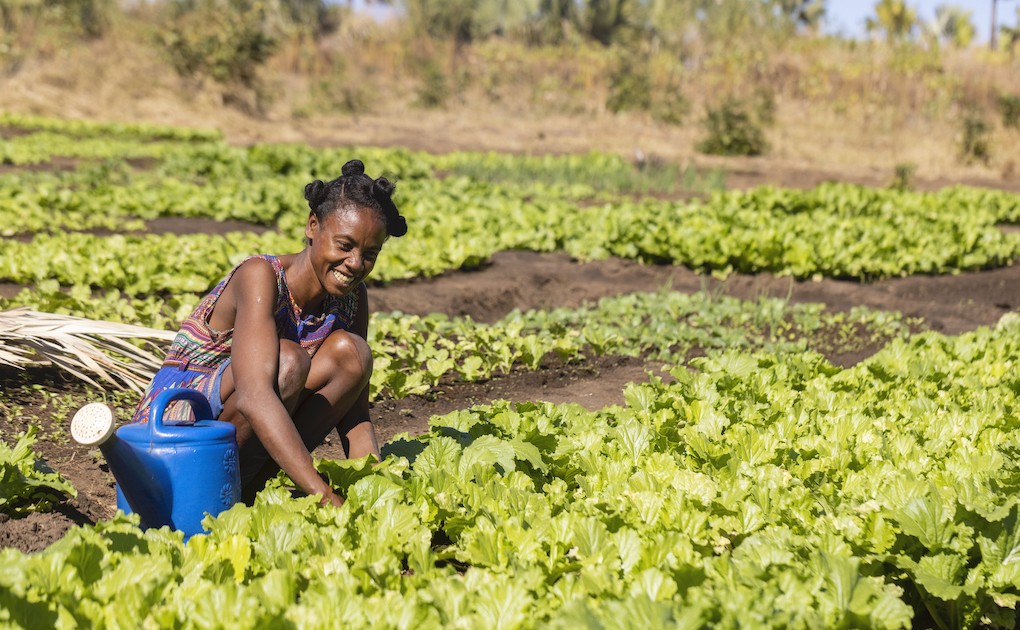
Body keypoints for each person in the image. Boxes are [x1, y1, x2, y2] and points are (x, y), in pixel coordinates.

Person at [129, 159, 407, 507]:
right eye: (344, 245)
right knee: (288, 360)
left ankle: (247, 492)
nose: (354, 263)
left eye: (369, 254)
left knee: (353, 354)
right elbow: (253, 395)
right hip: (171, 434)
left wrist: (379, 494)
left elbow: (355, 416)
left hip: (241, 435)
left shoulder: (352, 298)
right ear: (312, 226)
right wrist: (323, 495)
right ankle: (211, 496)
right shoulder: (260, 275)